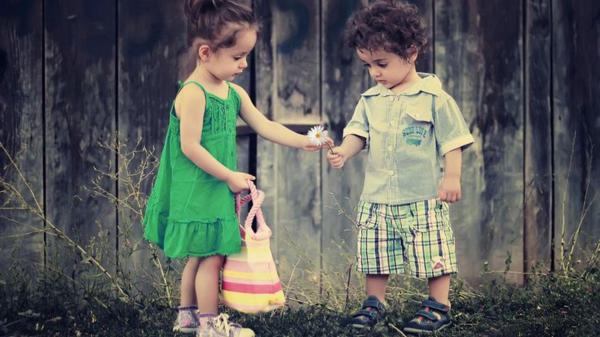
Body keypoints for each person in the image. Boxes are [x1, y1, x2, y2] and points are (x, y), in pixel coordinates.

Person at [143, 1, 329, 336]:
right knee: (211, 255)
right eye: (237, 57)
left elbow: (265, 125)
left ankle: (187, 317)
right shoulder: (194, 94)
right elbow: (190, 146)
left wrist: (304, 141)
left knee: (199, 256)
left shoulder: (233, 93)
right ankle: (210, 325)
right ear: (205, 53)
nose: (243, 64)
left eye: (246, 56)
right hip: (197, 186)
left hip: (212, 186)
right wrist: (229, 175)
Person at [327, 0, 474, 334]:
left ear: (411, 52)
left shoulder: (434, 99)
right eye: (368, 65)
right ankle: (374, 303)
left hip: (422, 194)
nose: (375, 73)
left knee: (432, 248)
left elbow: (453, 140)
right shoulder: (370, 99)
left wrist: (451, 177)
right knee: (375, 252)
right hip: (378, 196)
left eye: (381, 63)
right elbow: (358, 134)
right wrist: (344, 152)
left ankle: (439, 305)